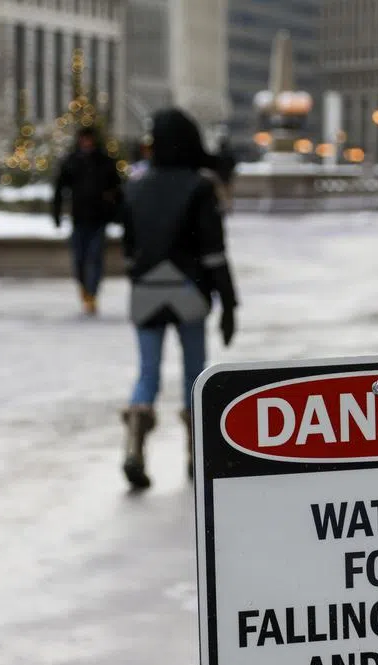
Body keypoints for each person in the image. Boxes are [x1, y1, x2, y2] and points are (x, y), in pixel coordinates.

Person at [119, 108, 239, 490]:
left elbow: (129, 247)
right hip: (188, 286)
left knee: (147, 373)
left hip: (146, 287)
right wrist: (229, 304)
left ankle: (135, 438)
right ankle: (194, 454)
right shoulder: (199, 186)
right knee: (195, 374)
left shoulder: (135, 185)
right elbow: (213, 252)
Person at [52, 126, 123, 316]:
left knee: (95, 258)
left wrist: (117, 213)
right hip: (79, 218)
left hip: (99, 219)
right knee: (80, 259)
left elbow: (117, 190)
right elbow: (59, 189)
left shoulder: (105, 161)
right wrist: (56, 214)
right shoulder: (71, 161)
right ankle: (85, 289)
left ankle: (92, 293)